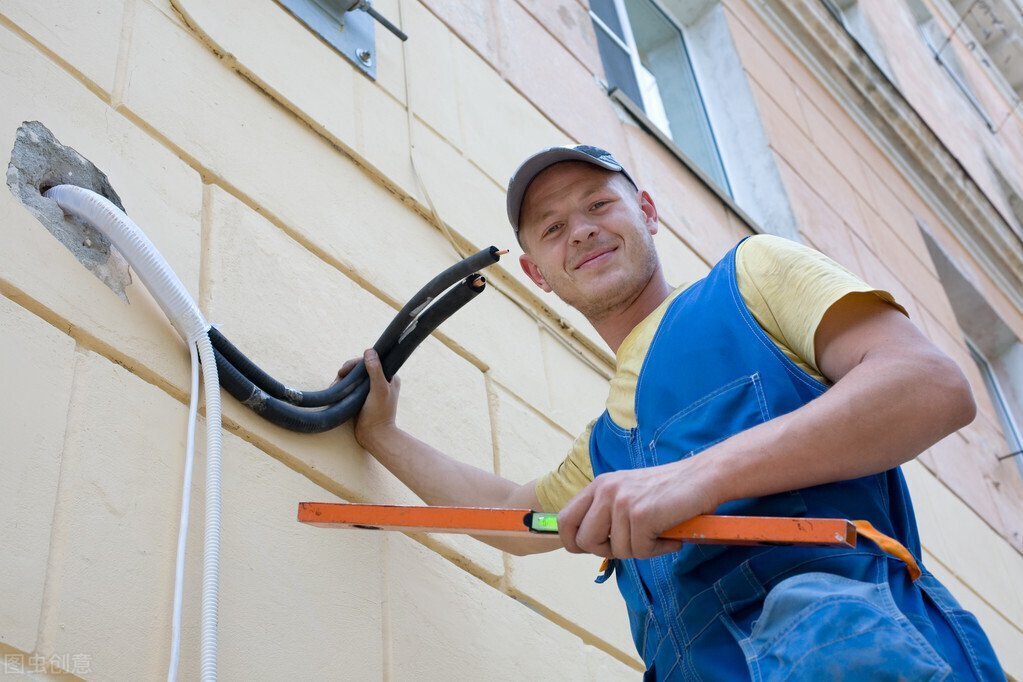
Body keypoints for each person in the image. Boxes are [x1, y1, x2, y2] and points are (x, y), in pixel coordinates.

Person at [342, 145, 1004, 680]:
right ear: (537, 273)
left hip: (851, 655)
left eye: (599, 204)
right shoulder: (607, 449)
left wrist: (698, 477)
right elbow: (517, 518)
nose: (581, 230)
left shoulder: (751, 277)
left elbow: (928, 386)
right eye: (552, 228)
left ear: (648, 211)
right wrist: (383, 437)